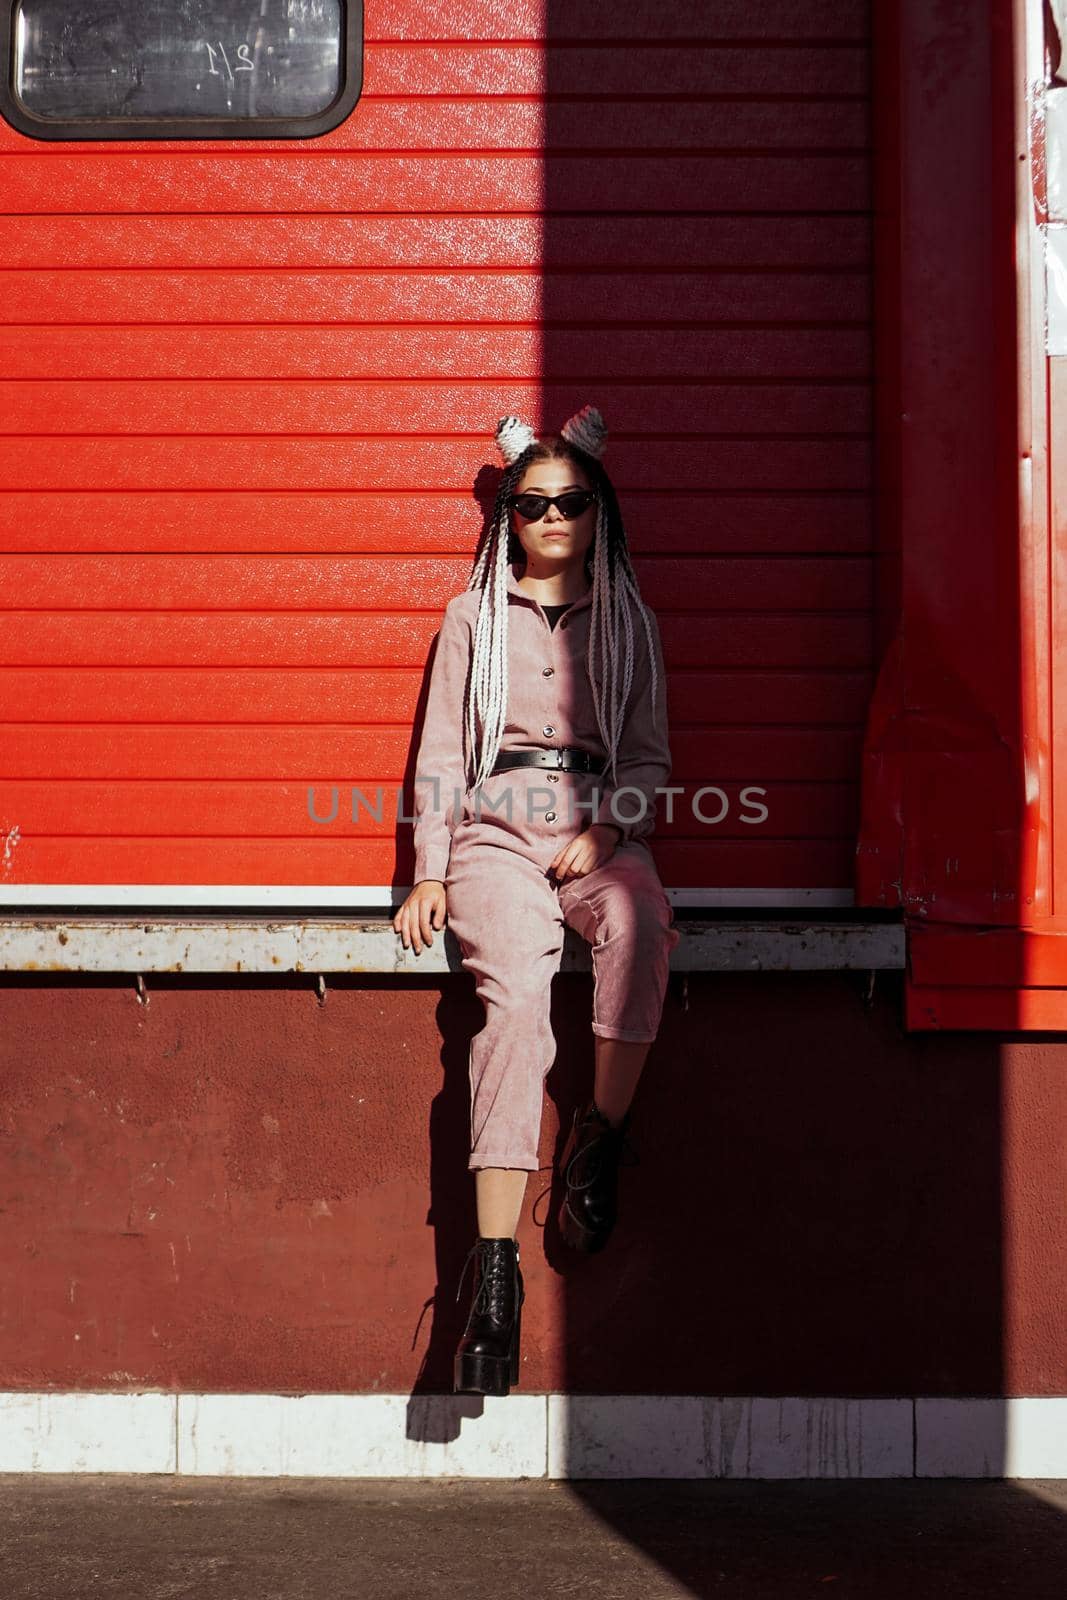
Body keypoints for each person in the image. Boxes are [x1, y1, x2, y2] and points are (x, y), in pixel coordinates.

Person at [392, 406, 680, 1397]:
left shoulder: (628, 621)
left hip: (598, 826)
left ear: (597, 513)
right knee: (513, 1002)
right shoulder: (473, 617)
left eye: (570, 502)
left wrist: (607, 827)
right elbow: (440, 754)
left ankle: (595, 1143)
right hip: (494, 833)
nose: (551, 516)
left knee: (641, 931)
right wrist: (429, 867)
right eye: (532, 504)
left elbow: (648, 761)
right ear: (508, 517)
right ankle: (495, 1271)